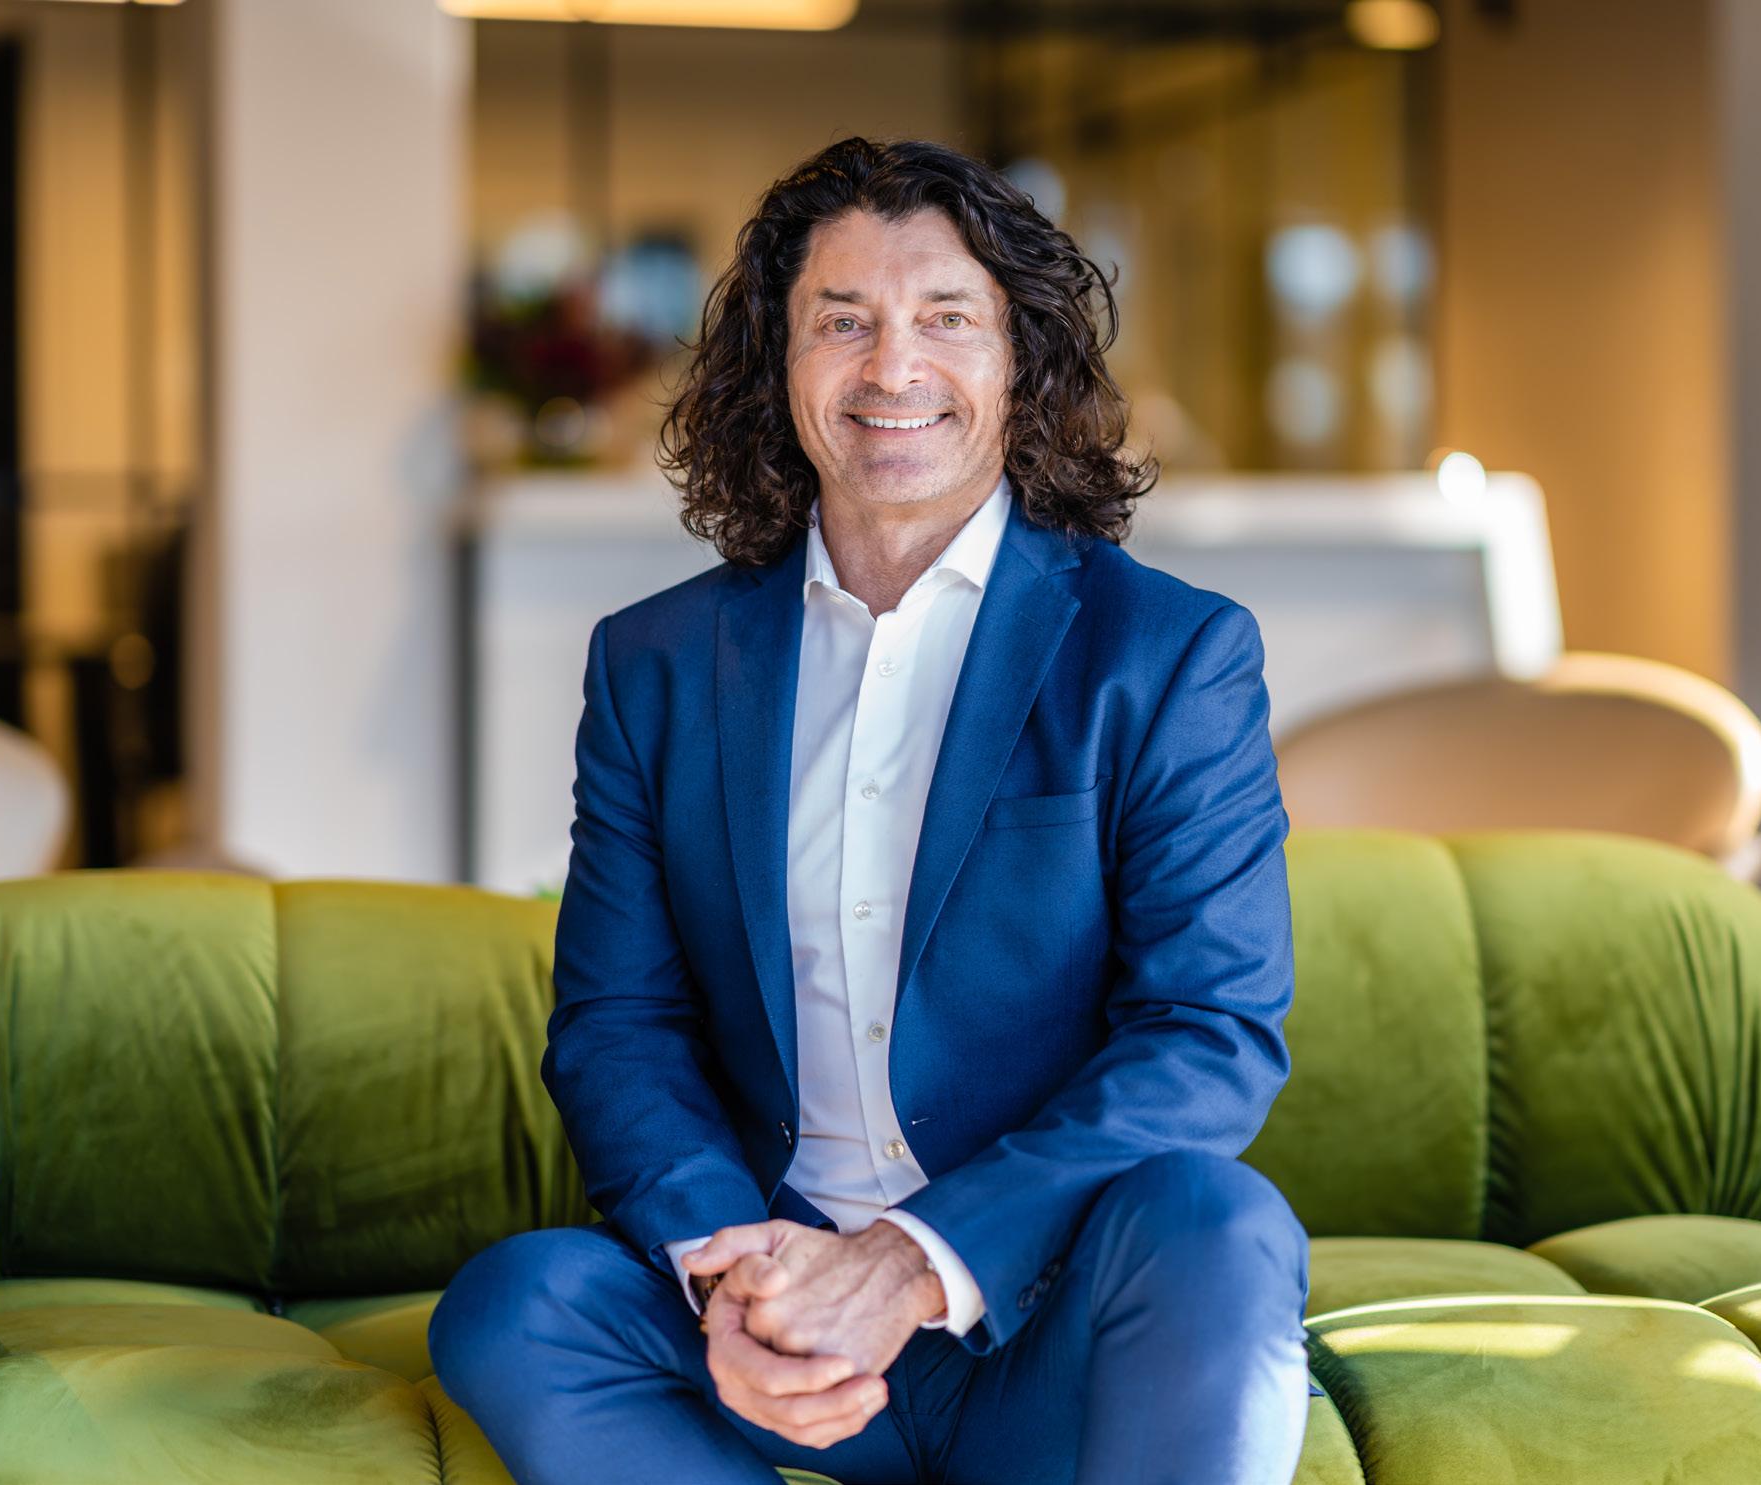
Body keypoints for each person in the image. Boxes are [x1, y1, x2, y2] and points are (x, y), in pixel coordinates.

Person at [429, 135, 1312, 1485]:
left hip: (1044, 1310)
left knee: (1221, 1223)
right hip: (770, 1317)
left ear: (1019, 362)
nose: (893, 370)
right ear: (777, 367)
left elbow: (1212, 1031)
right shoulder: (656, 665)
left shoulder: (1167, 654)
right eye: (843, 322)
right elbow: (619, 1022)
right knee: (520, 1306)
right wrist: (735, 1277)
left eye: (946, 319)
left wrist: (908, 1263)